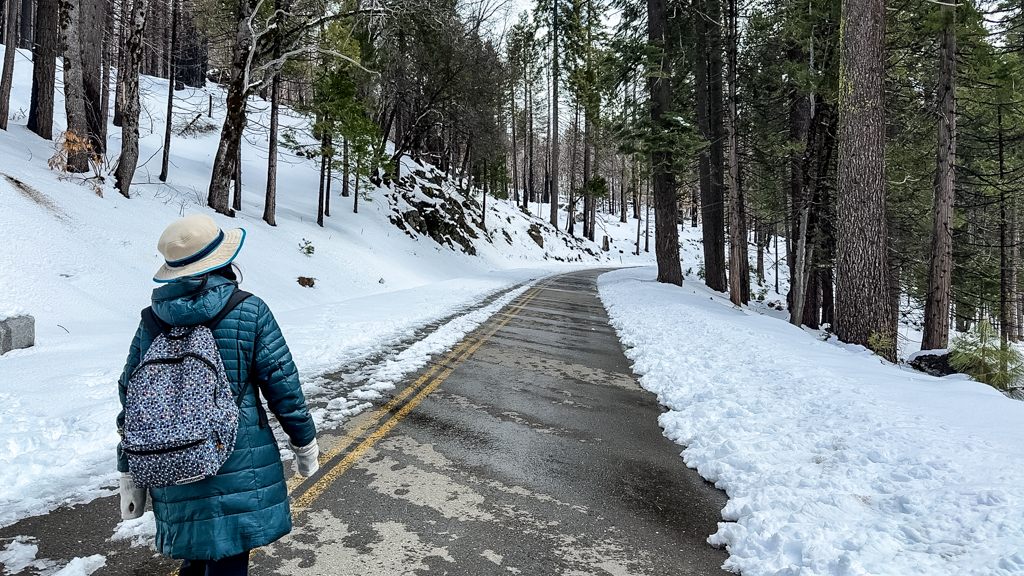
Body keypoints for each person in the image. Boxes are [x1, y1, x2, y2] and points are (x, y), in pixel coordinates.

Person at [115, 214, 320, 575]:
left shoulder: (152, 319)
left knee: (196, 557)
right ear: (223, 260)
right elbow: (283, 386)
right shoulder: (249, 310)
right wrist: (304, 444)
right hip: (238, 460)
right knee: (229, 560)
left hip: (173, 458)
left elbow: (131, 398)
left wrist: (128, 469)